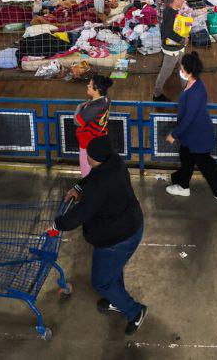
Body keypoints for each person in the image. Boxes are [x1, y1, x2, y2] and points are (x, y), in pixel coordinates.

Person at [54, 134, 148, 335]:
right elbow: (93, 177)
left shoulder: (101, 184)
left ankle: (135, 312)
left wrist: (57, 224)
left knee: (101, 282)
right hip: (130, 224)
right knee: (113, 270)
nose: (87, 158)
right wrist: (78, 187)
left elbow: (80, 214)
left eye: (90, 156)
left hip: (117, 238)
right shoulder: (114, 163)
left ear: (99, 158)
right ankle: (118, 300)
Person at [165, 54, 217, 201]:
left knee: (204, 162)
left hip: (196, 135)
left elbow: (188, 118)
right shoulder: (195, 83)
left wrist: (174, 134)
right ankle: (183, 185)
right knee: (186, 157)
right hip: (192, 135)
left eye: (182, 69)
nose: (180, 70)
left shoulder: (195, 92)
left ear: (189, 71)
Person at [153, 0, 189, 102]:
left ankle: (187, 91)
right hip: (172, 50)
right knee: (165, 73)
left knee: (184, 69)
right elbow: (168, 32)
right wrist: (182, 39)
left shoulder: (169, 10)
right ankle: (157, 95)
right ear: (175, 0)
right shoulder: (171, 14)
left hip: (178, 48)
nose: (183, 0)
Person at [75, 75, 112, 178]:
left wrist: (79, 107)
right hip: (99, 139)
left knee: (87, 171)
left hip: (88, 143)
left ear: (97, 89)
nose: (88, 86)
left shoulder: (94, 107)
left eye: (90, 85)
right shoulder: (106, 99)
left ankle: (89, 185)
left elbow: (77, 121)